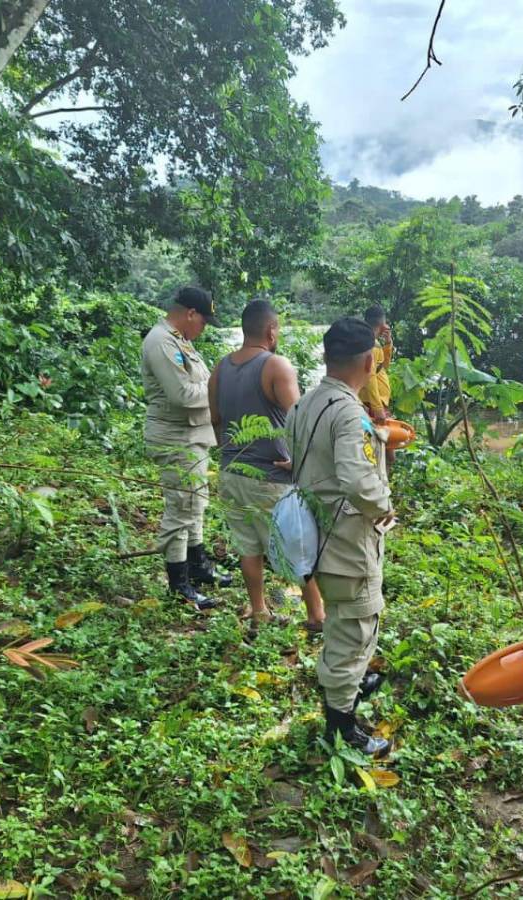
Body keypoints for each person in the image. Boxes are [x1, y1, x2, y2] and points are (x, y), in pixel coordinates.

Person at [287, 317, 394, 756]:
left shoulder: (305, 403)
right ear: (369, 363)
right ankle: (342, 727)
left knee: (340, 622)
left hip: (313, 534)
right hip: (346, 541)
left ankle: (342, 692)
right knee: (355, 628)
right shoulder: (349, 412)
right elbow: (356, 477)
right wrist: (385, 507)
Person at [209, 299, 326, 636]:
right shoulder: (277, 366)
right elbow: (301, 421)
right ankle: (317, 616)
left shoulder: (220, 368)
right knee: (298, 545)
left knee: (248, 545)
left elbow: (215, 420)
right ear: (271, 330)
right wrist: (298, 461)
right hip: (272, 477)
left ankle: (259, 610)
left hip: (232, 473)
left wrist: (231, 453)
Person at [141, 286, 232, 611]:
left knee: (195, 503)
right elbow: (182, 394)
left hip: (192, 436)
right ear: (190, 314)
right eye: (203, 321)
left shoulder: (181, 342)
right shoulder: (161, 342)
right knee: (181, 508)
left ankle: (199, 567)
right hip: (174, 438)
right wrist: (217, 393)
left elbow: (198, 384)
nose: (203, 328)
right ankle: (179, 584)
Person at [359, 305, 396, 468]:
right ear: (382, 324)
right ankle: (383, 481)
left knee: (385, 447)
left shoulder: (374, 343)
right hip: (374, 403)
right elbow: (370, 377)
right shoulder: (371, 346)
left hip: (377, 401)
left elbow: (383, 367)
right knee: (384, 449)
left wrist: (388, 343)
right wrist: (377, 406)